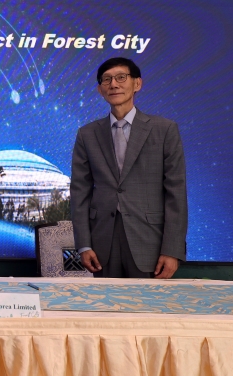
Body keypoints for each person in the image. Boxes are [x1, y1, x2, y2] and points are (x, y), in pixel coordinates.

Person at [70, 57, 187, 278]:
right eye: (107, 80)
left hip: (151, 243)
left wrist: (172, 250)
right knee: (106, 310)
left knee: (149, 310)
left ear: (137, 84)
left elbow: (176, 193)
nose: (113, 84)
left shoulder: (165, 130)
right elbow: (79, 192)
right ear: (100, 89)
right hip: (102, 244)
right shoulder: (87, 134)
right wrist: (83, 245)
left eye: (121, 77)